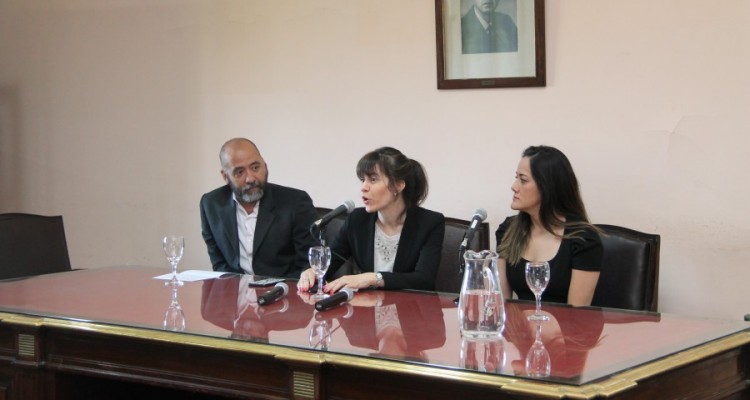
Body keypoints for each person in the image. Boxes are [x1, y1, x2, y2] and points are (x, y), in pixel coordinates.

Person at [298, 147, 445, 293]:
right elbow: (330, 265)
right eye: (363, 180)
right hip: (365, 308)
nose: (363, 187)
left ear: (398, 185)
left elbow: (424, 279)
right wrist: (311, 272)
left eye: (373, 179)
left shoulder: (430, 223)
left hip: (408, 309)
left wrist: (373, 278)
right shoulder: (357, 219)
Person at [496, 145, 602, 306]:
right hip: (521, 329)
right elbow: (502, 305)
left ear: (547, 187)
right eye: (516, 177)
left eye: (523, 180)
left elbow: (577, 316)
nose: (514, 186)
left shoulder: (583, 240)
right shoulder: (508, 230)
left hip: (567, 330)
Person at [200, 138, 317, 278]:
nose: (250, 178)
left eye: (255, 167)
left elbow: (308, 265)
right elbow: (219, 264)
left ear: (265, 166)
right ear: (225, 177)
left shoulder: (295, 202)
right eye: (239, 172)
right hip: (236, 293)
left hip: (283, 291)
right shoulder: (211, 204)